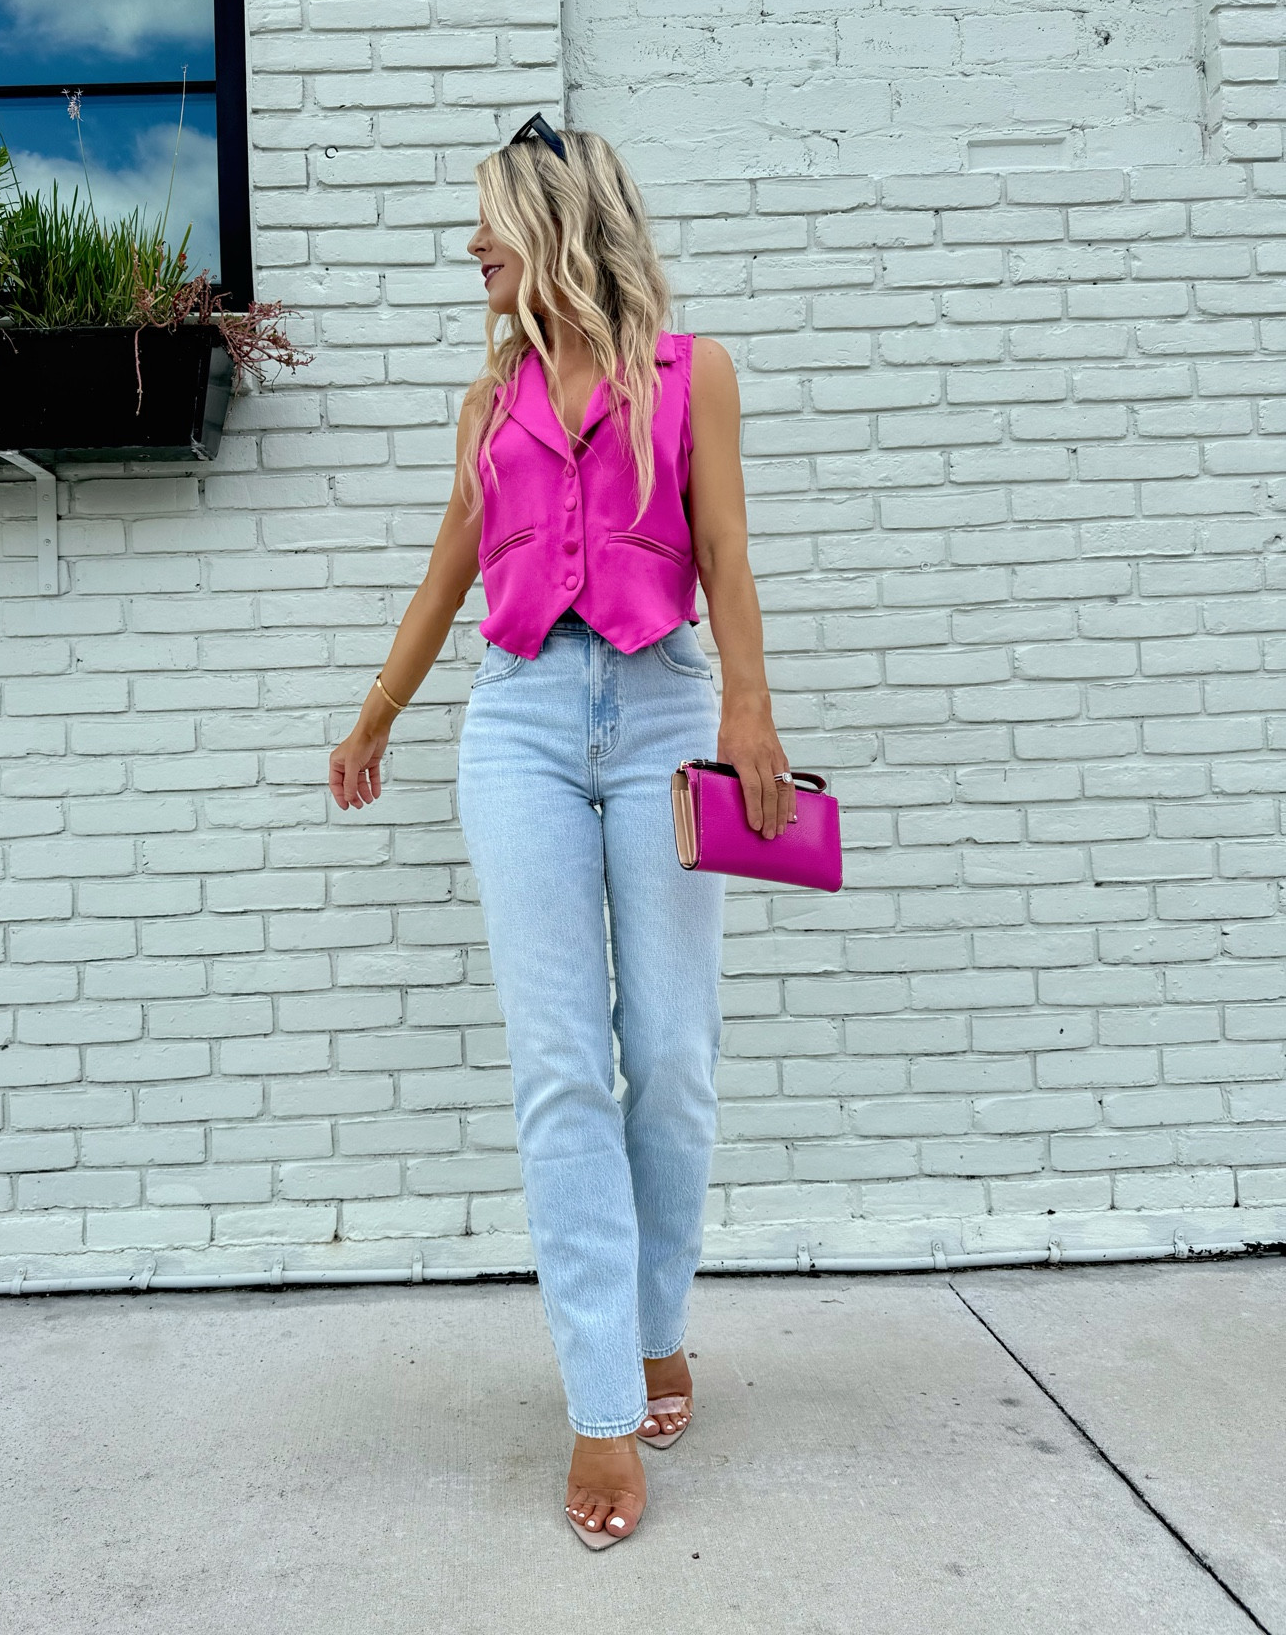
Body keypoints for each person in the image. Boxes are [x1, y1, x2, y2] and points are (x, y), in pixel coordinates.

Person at [328, 115, 794, 1550]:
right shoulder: (490, 406)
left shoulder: (689, 371)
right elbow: (445, 578)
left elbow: (724, 551)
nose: (472, 248)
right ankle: (602, 1401)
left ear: (554, 224)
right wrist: (377, 714)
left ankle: (662, 1322)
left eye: (489, 223)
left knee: (667, 1054)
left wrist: (751, 713)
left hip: (663, 716)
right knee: (558, 1067)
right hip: (520, 726)